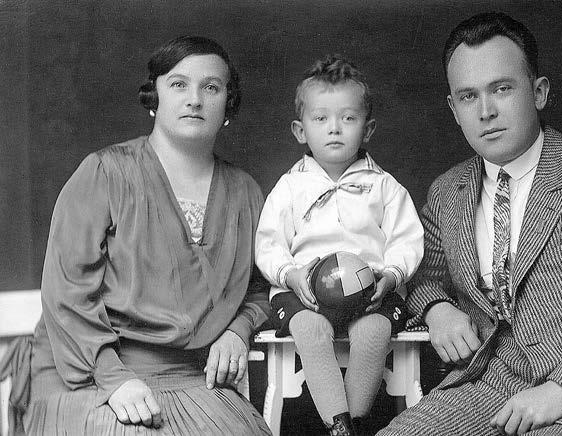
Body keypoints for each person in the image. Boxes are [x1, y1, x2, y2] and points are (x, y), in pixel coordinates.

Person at [379, 12, 562, 436]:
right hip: (495, 382)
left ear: (538, 92)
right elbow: (418, 274)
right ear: (454, 110)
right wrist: (437, 309)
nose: (486, 111)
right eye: (468, 97)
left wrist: (561, 388)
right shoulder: (448, 192)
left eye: (501, 89)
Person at [1, 36, 272, 435]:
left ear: (227, 107)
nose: (194, 99)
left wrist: (238, 329)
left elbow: (259, 288)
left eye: (211, 87)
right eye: (178, 84)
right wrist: (115, 379)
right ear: (154, 99)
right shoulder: (105, 173)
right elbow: (67, 292)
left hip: (190, 378)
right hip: (87, 372)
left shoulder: (245, 193)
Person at [254, 55, 424, 435]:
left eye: (348, 118)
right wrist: (291, 274)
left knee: (374, 332)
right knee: (309, 329)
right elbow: (268, 244)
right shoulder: (289, 187)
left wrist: (391, 276)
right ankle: (338, 423)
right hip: (304, 293)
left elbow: (407, 239)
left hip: (370, 293)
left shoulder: (384, 186)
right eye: (321, 119)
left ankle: (355, 421)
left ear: (368, 129)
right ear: (300, 131)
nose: (334, 128)